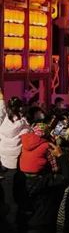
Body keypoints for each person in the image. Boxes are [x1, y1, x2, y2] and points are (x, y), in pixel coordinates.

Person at [0, 93, 30, 230]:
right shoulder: (23, 124)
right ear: (20, 108)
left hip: (3, 163)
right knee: (18, 196)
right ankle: (15, 225)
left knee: (7, 196)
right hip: (17, 164)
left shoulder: (3, 123)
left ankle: (8, 224)